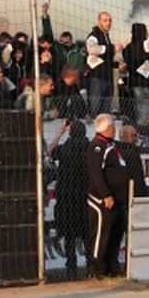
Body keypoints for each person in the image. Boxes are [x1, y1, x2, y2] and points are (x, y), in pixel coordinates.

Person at [85, 114, 130, 278]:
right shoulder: (97, 146)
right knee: (101, 234)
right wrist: (106, 194)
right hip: (103, 200)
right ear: (108, 128)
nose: (115, 130)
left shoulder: (111, 145)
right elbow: (95, 173)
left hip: (118, 199)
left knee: (115, 235)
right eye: (114, 127)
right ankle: (97, 267)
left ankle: (112, 265)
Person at [48, 118, 89, 280]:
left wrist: (59, 133)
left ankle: (71, 267)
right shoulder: (89, 146)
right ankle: (90, 264)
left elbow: (50, 150)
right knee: (86, 233)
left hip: (66, 197)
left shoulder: (66, 147)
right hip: (84, 195)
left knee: (69, 235)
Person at [85, 12, 120, 117]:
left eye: (110, 20)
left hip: (107, 78)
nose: (108, 23)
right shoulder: (93, 36)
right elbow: (92, 49)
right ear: (99, 21)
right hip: (97, 79)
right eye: (105, 20)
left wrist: (117, 65)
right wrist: (112, 48)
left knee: (105, 113)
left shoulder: (106, 37)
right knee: (95, 111)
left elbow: (104, 60)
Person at [116, 125, 148, 197]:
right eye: (134, 136)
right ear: (126, 137)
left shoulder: (116, 151)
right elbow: (137, 177)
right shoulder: (132, 154)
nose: (136, 139)